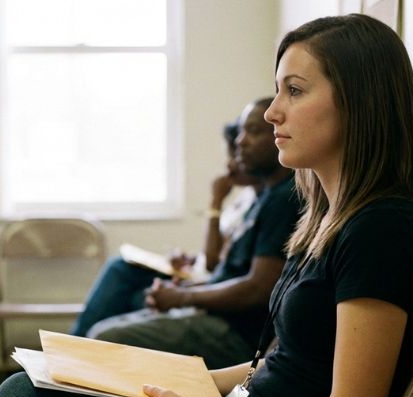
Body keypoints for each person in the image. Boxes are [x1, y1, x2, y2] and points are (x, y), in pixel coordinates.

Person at [0, 14, 413, 397]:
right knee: (26, 393)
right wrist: (151, 378)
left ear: (358, 103)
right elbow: (281, 365)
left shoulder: (383, 228)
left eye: (296, 90)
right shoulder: (327, 217)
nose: (272, 113)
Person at [84, 97, 301, 369]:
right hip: (216, 313)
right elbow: (227, 271)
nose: (240, 142)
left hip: (235, 332)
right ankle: (65, 366)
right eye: (241, 132)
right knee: (108, 320)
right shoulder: (264, 199)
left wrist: (183, 297)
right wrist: (184, 290)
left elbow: (257, 288)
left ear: (280, 137)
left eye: (254, 132)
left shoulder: (284, 199)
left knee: (103, 337)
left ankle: (65, 380)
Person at [69, 118, 263, 337]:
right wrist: (191, 259)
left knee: (125, 283)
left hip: (208, 284)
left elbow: (214, 262)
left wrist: (215, 203)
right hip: (199, 276)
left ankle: (75, 349)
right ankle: (75, 349)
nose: (229, 165)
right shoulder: (245, 200)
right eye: (231, 155)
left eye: (235, 156)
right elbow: (217, 255)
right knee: (122, 268)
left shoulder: (263, 204)